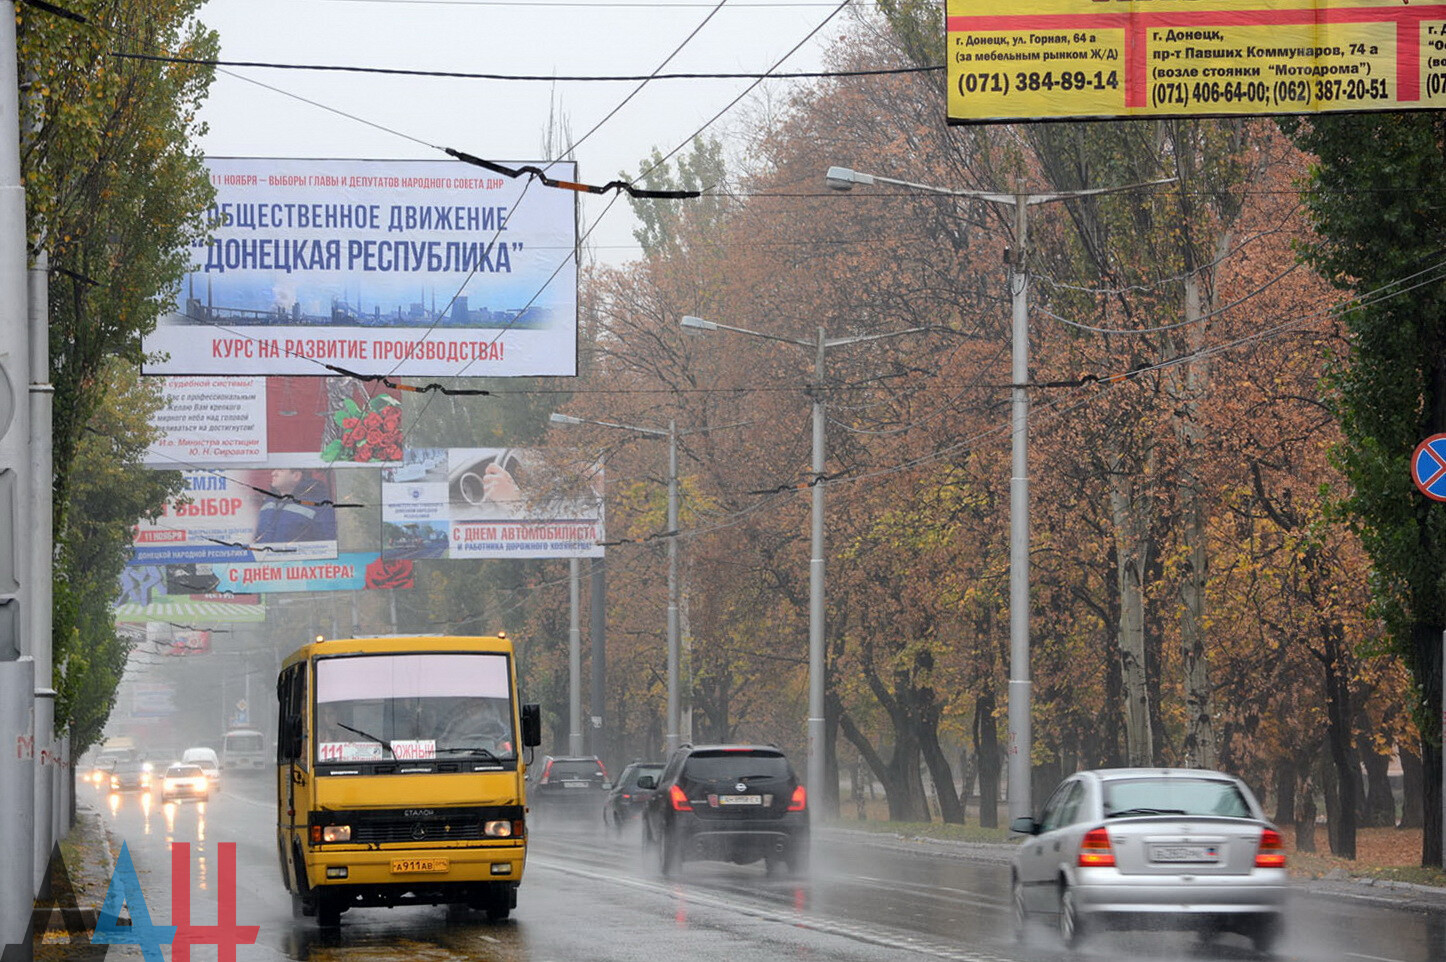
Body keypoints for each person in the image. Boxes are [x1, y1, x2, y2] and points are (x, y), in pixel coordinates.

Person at [254, 468, 337, 544]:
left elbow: (327, 543)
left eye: (280, 470)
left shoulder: (319, 505)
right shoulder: (269, 503)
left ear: (296, 476)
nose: (273, 473)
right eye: (274, 469)